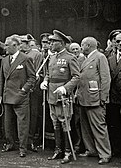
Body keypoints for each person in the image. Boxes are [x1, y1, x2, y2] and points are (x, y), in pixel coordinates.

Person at [40, 30, 80, 164]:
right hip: (51, 94)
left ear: (61, 43)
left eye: (53, 42)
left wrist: (65, 88)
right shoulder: (51, 58)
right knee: (55, 123)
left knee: (65, 124)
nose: (50, 44)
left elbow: (76, 77)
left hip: (63, 96)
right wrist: (45, 81)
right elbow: (48, 73)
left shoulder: (70, 57)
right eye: (50, 41)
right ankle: (58, 150)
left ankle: (67, 152)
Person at [0, 35, 36, 158]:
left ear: (15, 46)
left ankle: (23, 148)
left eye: (7, 45)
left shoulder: (25, 59)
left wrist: (23, 91)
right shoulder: (4, 60)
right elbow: (2, 79)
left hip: (20, 97)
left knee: (22, 124)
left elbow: (32, 78)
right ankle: (10, 144)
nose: (5, 47)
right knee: (7, 123)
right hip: (7, 96)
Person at [77, 37, 111, 164]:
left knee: (99, 127)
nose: (81, 47)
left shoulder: (100, 57)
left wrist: (103, 97)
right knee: (85, 127)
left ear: (88, 45)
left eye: (82, 45)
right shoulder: (84, 59)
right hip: (83, 98)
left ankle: (105, 154)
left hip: (95, 99)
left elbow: (105, 78)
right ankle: (91, 150)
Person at [20, 34, 43, 152]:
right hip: (21, 90)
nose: (20, 45)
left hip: (32, 89)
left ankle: (30, 140)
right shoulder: (19, 55)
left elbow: (37, 72)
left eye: (22, 43)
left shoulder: (36, 54)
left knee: (33, 115)